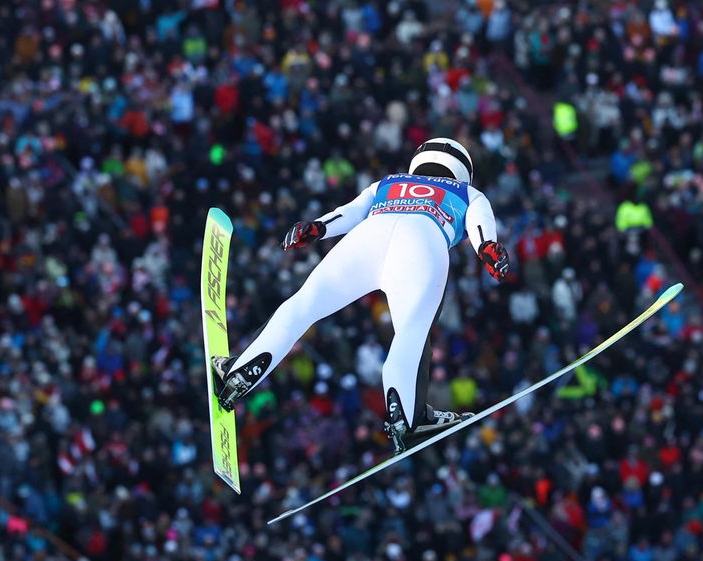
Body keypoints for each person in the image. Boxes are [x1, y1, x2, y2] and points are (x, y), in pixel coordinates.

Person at [214, 138, 511, 453]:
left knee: (306, 303)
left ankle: (240, 372)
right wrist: (487, 248)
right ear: (463, 170)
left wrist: (317, 228)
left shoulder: (389, 182)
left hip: (369, 235)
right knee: (411, 334)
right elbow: (481, 226)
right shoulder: (468, 193)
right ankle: (406, 418)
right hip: (424, 241)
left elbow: (349, 213)